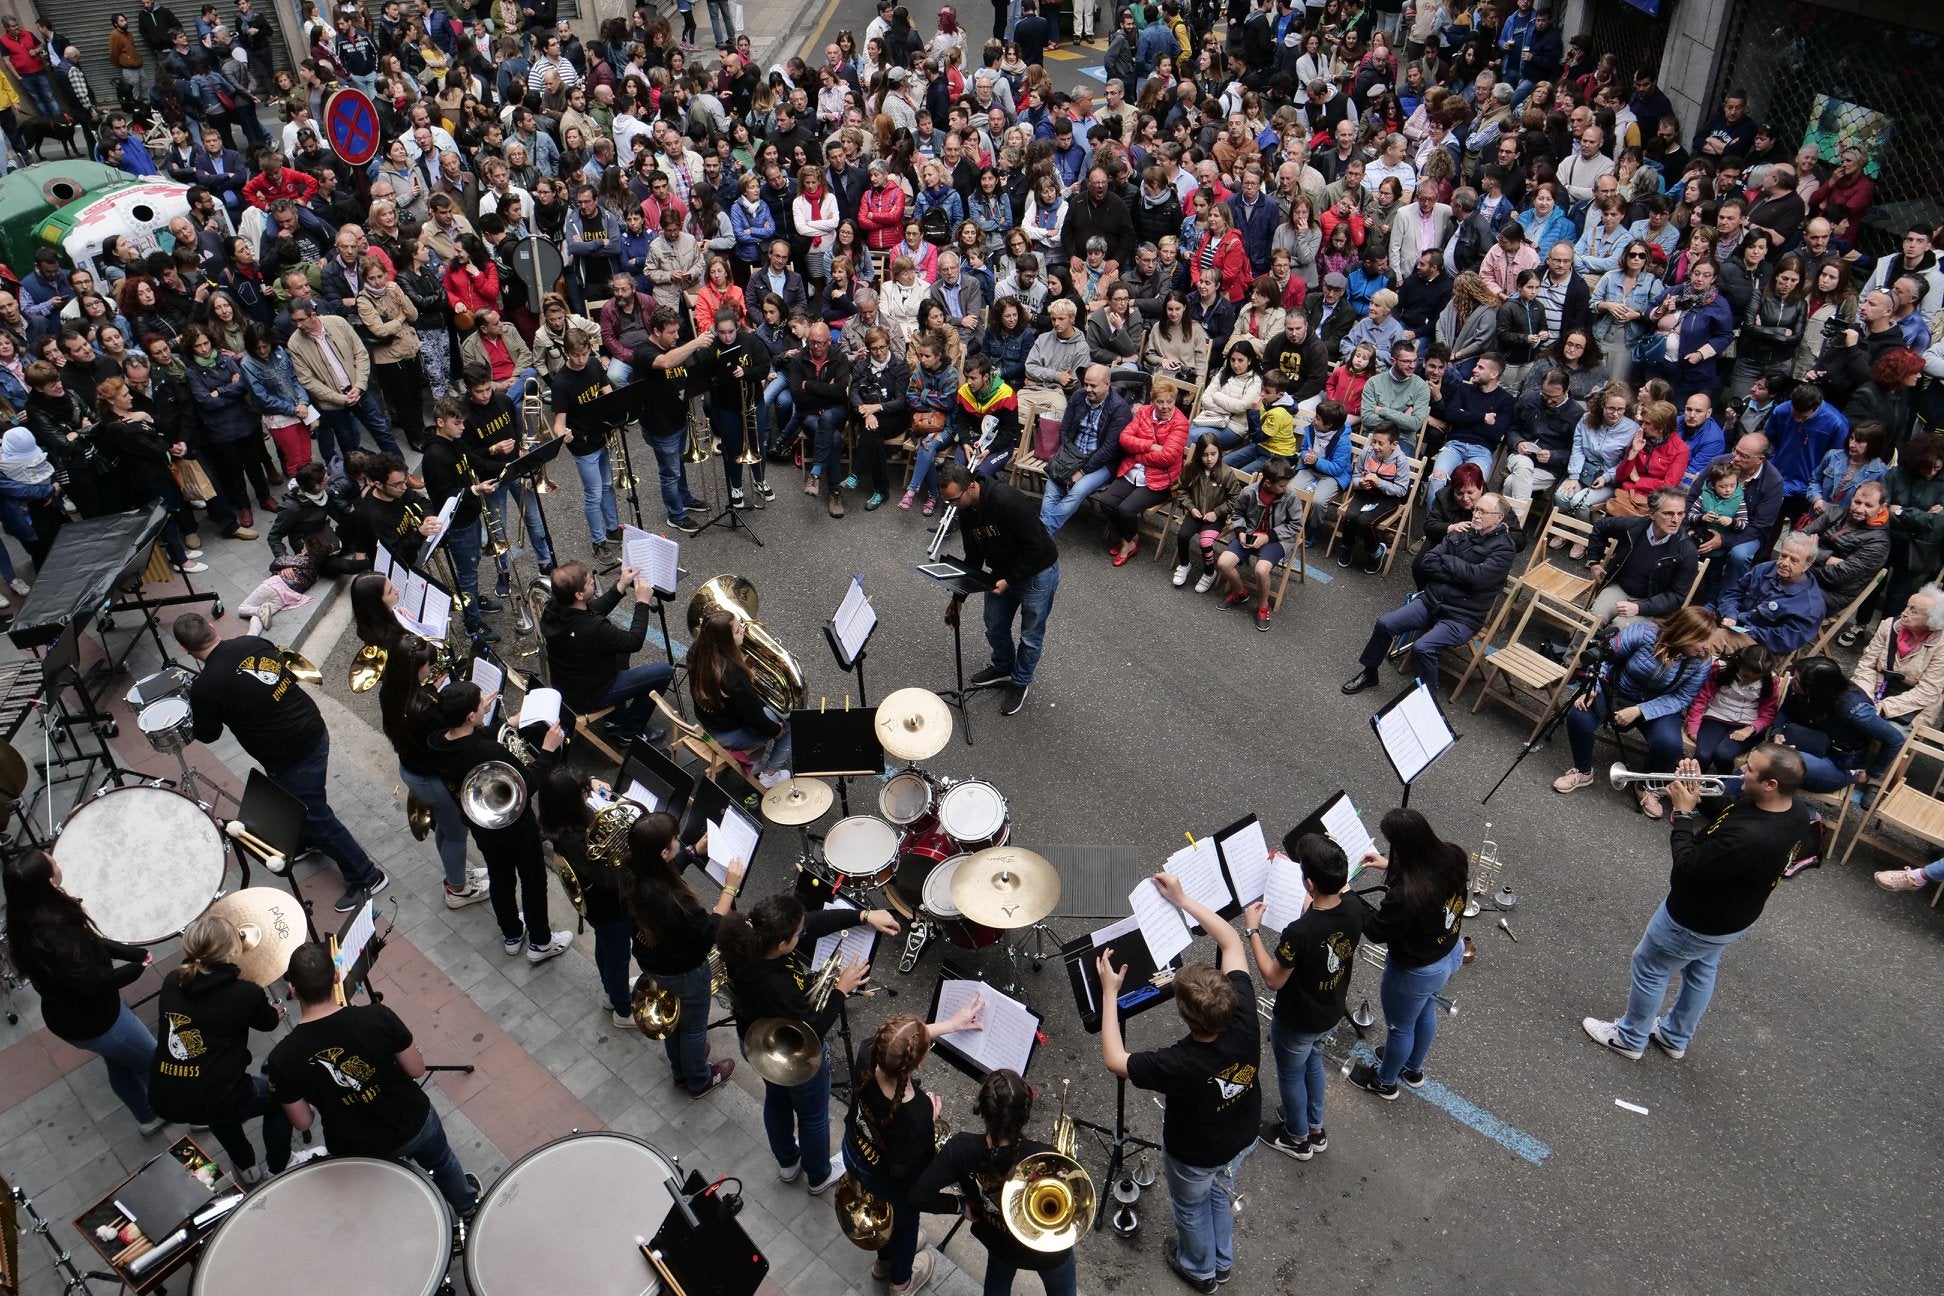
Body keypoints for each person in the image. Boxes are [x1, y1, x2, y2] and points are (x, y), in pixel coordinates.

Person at [1580, 746, 1818, 1061]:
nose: (1740, 771)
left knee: (1650, 967)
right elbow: (1732, 811)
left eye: (1749, 769)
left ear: (1771, 784)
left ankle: (1629, 1038)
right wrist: (1695, 790)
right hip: (1731, 917)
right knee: (1701, 969)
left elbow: (1688, 868)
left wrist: (1684, 814)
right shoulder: (1794, 810)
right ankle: (1674, 1036)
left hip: (1694, 918)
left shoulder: (1749, 838)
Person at [1099, 872, 1259, 1294]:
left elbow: (1115, 1058)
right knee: (1222, 1191)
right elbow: (1230, 942)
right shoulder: (1243, 1015)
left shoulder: (1180, 1062)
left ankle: (1200, 1269)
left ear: (1186, 1017)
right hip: (1242, 1135)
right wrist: (1184, 899)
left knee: (1190, 1207)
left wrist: (1110, 993)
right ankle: (1222, 1260)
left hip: (1195, 1153)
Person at [173, 613, 387, 912]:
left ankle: (367, 876)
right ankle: (308, 839)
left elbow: (208, 735)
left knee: (317, 816)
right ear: (212, 627)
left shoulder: (205, 688)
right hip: (312, 728)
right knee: (295, 799)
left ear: (185, 649)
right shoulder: (252, 642)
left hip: (290, 754)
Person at [266, 942, 481, 1215]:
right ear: (336, 977)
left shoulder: (281, 1058)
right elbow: (416, 1069)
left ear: (293, 989)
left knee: (386, 1192)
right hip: (413, 1122)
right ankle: (466, 1207)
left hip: (358, 1146)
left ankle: (416, 1224)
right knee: (442, 1162)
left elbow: (303, 1121)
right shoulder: (377, 1016)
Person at [720, 892, 899, 1195]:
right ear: (781, 944)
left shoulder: (749, 941)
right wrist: (841, 989)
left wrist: (864, 916)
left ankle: (788, 1163)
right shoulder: (776, 986)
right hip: (792, 1053)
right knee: (813, 1115)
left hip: (757, 1043)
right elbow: (812, 1026)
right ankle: (818, 1176)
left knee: (775, 1099)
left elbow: (813, 923)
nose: (804, 932)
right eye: (798, 934)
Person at [2, 851, 165, 1131]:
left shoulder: (27, 917)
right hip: (97, 1021)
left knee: (120, 1062)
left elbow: (92, 943)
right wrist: (136, 969)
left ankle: (147, 1116)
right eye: (51, 861)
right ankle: (179, 1110)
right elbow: (93, 985)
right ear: (49, 881)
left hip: (79, 1017)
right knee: (156, 1065)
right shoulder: (56, 935)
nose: (56, 860)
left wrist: (129, 953)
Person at [840, 1008, 985, 1296]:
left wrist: (950, 1024)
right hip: (888, 1181)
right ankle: (901, 1283)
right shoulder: (917, 1114)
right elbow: (914, 1188)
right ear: (917, 1063)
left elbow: (896, 1043)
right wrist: (929, 1121)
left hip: (855, 1154)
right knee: (904, 1226)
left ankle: (883, 1263)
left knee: (881, 1214)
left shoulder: (867, 1051)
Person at [147, 913, 292, 1184]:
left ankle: (247, 1168)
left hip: (168, 1093)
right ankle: (279, 1167)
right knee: (282, 1102)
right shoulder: (245, 994)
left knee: (219, 1115)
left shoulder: (171, 981)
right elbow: (268, 1023)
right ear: (230, 951)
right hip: (219, 1092)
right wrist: (277, 1011)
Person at [1244, 832, 1363, 1161]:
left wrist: (1252, 930)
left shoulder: (1299, 933)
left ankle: (1297, 1138)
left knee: (1291, 1074)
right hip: (1329, 1012)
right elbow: (1330, 896)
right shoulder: (1354, 908)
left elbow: (1272, 979)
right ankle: (1315, 1126)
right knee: (1312, 1061)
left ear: (1309, 883)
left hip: (1297, 1020)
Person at [910, 1068, 1079, 1296]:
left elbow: (918, 1195)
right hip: (1046, 1251)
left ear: (983, 1111)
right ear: (1026, 1114)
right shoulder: (1045, 1155)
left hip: (999, 1241)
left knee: (997, 1284)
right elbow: (1075, 1203)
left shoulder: (959, 1148)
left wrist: (960, 1205)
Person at [1345, 809, 1470, 1098]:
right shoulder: (1452, 855)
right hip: (1449, 952)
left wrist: (1349, 896)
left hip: (1417, 970)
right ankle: (1412, 1069)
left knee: (1400, 1028)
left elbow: (1377, 930)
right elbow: (1424, 872)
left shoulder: (1406, 895)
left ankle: (1385, 1082)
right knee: (1425, 1009)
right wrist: (1387, 865)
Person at [1343, 493, 1518, 698]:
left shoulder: (1505, 549)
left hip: (1462, 616)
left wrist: (1448, 561)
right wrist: (1462, 571)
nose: (1476, 515)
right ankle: (1369, 673)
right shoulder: (1462, 531)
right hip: (1432, 601)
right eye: (1476, 509)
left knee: (1422, 648)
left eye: (1483, 511)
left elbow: (1477, 579)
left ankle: (1427, 701)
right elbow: (1428, 561)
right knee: (1384, 623)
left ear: (1499, 518)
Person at [1551, 607, 1721, 815]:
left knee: (1669, 744)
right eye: (1702, 640)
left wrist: (1640, 710)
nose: (1706, 647)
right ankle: (1583, 771)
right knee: (1579, 716)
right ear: (1686, 634)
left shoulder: (1701, 660)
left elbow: (1682, 698)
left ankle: (1647, 788)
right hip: (1616, 690)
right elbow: (1606, 658)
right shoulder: (1644, 632)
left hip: (1658, 705)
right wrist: (1593, 687)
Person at [620, 811, 740, 1093]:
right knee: (695, 1027)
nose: (677, 842)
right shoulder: (676, 902)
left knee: (673, 1019)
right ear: (664, 852)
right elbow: (709, 932)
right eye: (675, 840)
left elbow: (660, 869)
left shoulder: (630, 870)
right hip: (685, 971)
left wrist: (693, 850)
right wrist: (730, 887)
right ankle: (699, 1078)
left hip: (653, 964)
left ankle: (681, 1069)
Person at [375, 630, 490, 908]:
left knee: (446, 828)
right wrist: (474, 718)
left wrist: (431, 689)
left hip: (412, 769)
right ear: (416, 669)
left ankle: (455, 874)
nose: (431, 667)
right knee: (456, 833)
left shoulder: (391, 691)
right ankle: (457, 889)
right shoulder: (424, 709)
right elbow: (449, 739)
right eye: (427, 664)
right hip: (430, 777)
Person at [940, 462, 1060, 717]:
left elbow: (1036, 547)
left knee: (1030, 636)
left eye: (954, 500)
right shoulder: (966, 510)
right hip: (1000, 573)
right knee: (994, 625)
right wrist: (958, 597)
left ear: (971, 486)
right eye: (948, 502)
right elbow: (972, 556)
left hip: (1037, 573)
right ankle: (1003, 666)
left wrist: (1010, 581)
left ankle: (1020, 682)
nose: (952, 506)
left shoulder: (1008, 501)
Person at [540, 560, 676, 747]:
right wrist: (642, 602)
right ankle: (629, 732)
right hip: (591, 695)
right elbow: (634, 642)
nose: (593, 582)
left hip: (569, 686)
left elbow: (591, 609)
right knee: (664, 671)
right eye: (589, 583)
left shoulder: (553, 609)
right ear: (579, 594)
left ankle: (614, 718)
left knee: (617, 651)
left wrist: (620, 586)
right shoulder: (593, 628)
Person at [630, 305, 713, 533]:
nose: (677, 336)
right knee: (670, 471)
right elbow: (665, 362)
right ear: (657, 331)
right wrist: (695, 342)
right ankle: (675, 514)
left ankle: (684, 498)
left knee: (678, 464)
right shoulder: (644, 352)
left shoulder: (674, 347)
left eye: (678, 331)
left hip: (677, 418)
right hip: (660, 425)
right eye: (671, 332)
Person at [688, 608, 792, 786]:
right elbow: (756, 719)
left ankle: (755, 762)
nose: (743, 630)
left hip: (710, 724)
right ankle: (770, 775)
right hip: (728, 735)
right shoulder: (733, 676)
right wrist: (777, 729)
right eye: (737, 630)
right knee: (792, 719)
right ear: (725, 641)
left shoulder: (697, 651)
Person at [1098, 376, 1191, 567]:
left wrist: (1138, 453)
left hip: (1159, 480)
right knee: (1107, 501)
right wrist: (1150, 445)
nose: (1165, 406)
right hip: (1132, 471)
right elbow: (1124, 438)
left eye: (1170, 401)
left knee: (1125, 509)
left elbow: (1168, 457)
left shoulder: (1180, 423)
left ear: (1174, 400)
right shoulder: (1144, 413)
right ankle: (1129, 540)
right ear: (1152, 400)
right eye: (1160, 401)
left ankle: (1126, 543)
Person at [1583, 488, 1702, 630]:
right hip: (1619, 588)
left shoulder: (1687, 551)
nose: (1676, 520)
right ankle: (1574, 653)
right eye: (1668, 513)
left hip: (1651, 602)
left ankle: (1595, 651)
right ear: (1651, 513)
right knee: (1594, 618)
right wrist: (1594, 562)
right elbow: (1600, 526)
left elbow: (1676, 596)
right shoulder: (1633, 526)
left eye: (1680, 513)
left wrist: (1639, 607)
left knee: (1617, 629)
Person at [1037, 364, 1133, 534]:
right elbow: (1065, 430)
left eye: (1093, 386)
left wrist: (1081, 471)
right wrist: (1067, 457)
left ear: (1107, 384)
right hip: (1072, 454)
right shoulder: (1078, 396)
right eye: (1085, 384)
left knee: (1077, 491)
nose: (1088, 389)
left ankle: (1040, 533)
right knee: (1051, 491)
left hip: (1101, 463)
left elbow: (1109, 449)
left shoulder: (1119, 409)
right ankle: (1044, 537)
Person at [1212, 456, 1303, 631]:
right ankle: (1240, 593)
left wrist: (1268, 536)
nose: (1286, 489)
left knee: (1261, 570)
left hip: (1276, 538)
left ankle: (1262, 606)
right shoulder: (1249, 492)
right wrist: (1240, 533)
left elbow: (1295, 525)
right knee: (1223, 562)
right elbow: (1238, 514)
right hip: (1249, 533)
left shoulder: (1290, 497)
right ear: (1268, 483)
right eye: (1282, 485)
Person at [1713, 533, 1826, 655]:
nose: (1784, 563)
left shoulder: (1811, 605)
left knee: (1708, 642)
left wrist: (1748, 631)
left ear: (1807, 565)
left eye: (1794, 560)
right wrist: (1730, 614)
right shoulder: (1765, 569)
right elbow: (1733, 592)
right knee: (1693, 622)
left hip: (1762, 646)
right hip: (1733, 624)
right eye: (1783, 556)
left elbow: (1785, 640)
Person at [1686, 643, 1781, 775]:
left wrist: (1750, 729)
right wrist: (1693, 726)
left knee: (1723, 754)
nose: (1749, 681)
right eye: (1746, 676)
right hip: (1716, 716)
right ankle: (1690, 786)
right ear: (1739, 664)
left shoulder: (1771, 680)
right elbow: (1702, 698)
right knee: (1703, 755)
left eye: (1756, 679)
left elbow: (1768, 714)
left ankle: (1721, 786)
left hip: (1747, 725)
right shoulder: (1721, 668)